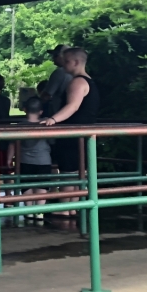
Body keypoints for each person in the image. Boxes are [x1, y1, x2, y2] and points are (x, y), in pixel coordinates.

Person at [42, 47, 99, 208]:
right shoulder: (89, 81)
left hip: (72, 134)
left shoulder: (77, 82)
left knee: (68, 173)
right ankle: (72, 208)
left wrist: (53, 119)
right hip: (84, 133)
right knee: (76, 173)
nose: (63, 65)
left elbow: (72, 106)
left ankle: (65, 208)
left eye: (66, 61)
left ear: (76, 62)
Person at [19, 96, 52, 206]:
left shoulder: (20, 126)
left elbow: (13, 145)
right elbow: (52, 141)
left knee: (26, 186)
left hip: (24, 161)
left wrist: (10, 158)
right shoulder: (47, 123)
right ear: (41, 111)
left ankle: (28, 211)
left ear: (25, 109)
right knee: (42, 187)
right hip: (44, 161)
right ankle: (39, 211)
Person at [41, 45, 73, 116]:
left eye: (55, 55)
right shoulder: (75, 72)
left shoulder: (59, 72)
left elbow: (47, 95)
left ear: (62, 56)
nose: (53, 58)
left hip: (59, 113)